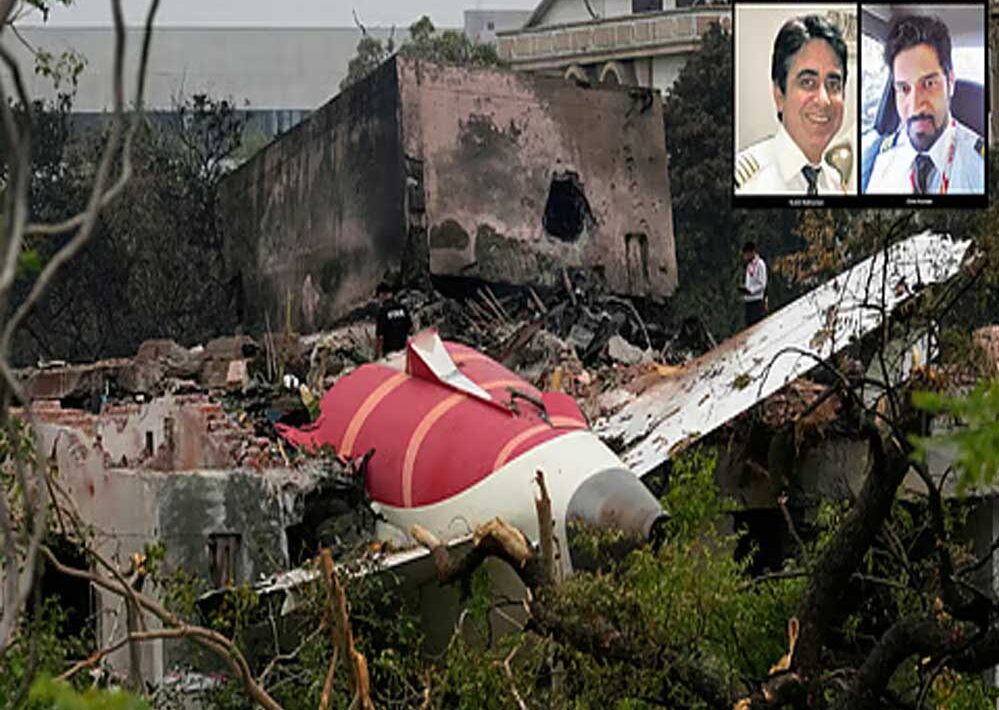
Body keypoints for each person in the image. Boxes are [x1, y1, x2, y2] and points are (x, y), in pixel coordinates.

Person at [865, 14, 984, 194]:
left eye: (928, 84)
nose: (915, 106)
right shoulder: (882, 159)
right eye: (904, 88)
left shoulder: (980, 167)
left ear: (950, 83)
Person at [735, 14, 851, 195]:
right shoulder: (746, 183)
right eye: (808, 83)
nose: (824, 100)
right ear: (779, 95)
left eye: (833, 85)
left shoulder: (836, 185)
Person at [374, 283, 412, 358]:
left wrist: (376, 356)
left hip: (390, 354)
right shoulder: (402, 308)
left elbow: (380, 337)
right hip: (404, 351)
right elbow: (411, 330)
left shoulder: (383, 311)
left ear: (381, 295)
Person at [738, 242, 767, 327]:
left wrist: (751, 290)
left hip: (757, 302)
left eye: (747, 254)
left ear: (752, 252)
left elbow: (762, 284)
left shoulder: (760, 264)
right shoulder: (749, 265)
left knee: (756, 326)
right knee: (748, 326)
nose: (745, 257)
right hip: (748, 301)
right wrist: (745, 289)